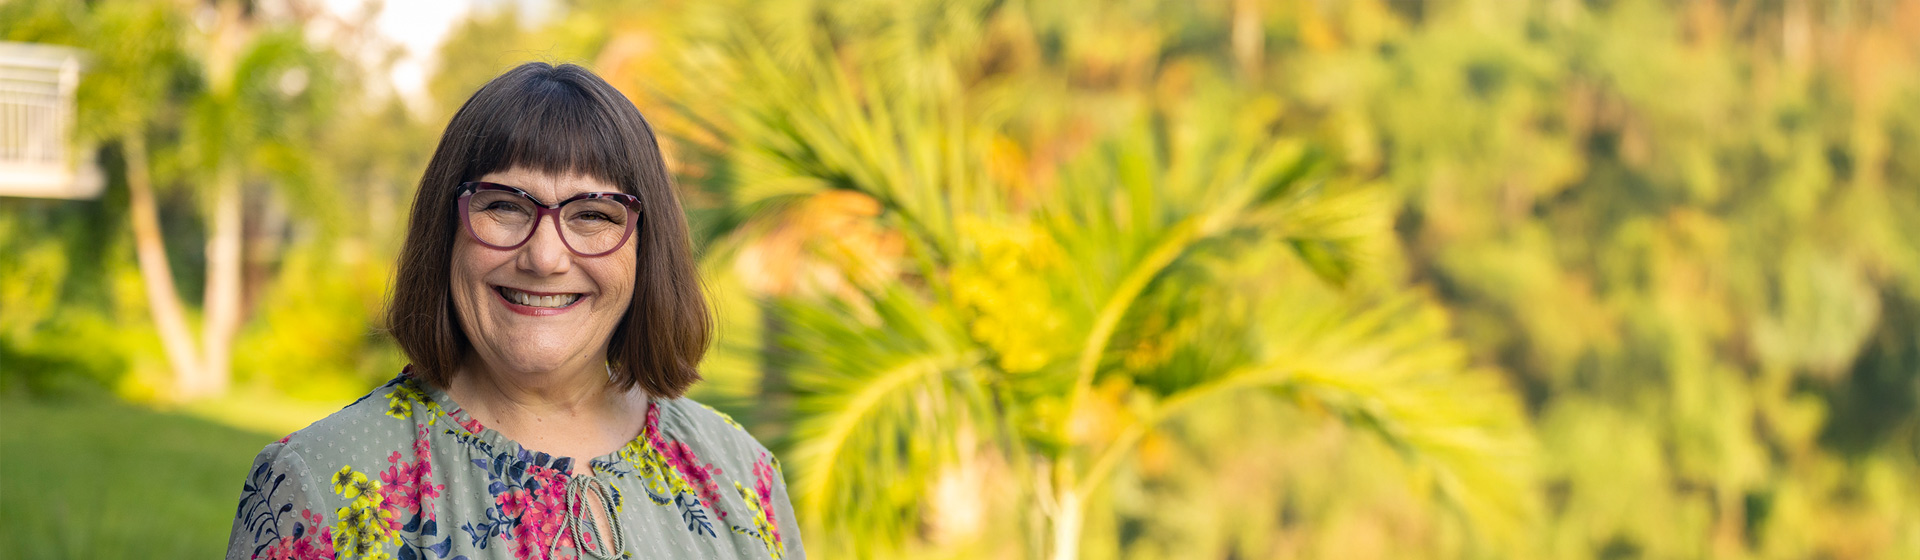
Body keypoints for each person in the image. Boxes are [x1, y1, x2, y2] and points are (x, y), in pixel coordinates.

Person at [224, 62, 803, 560]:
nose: (545, 257)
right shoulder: (316, 484)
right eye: (504, 206)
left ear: (646, 249)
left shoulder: (740, 473)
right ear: (445, 229)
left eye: (593, 214)